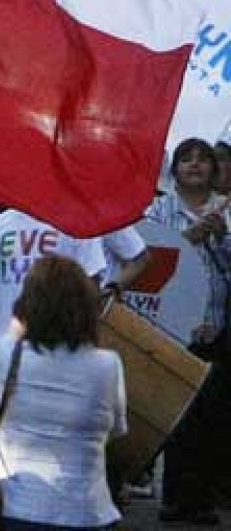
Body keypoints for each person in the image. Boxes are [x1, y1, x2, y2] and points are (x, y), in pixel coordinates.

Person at [0, 255, 126, 531]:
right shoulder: (107, 365)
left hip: (13, 504)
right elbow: (117, 430)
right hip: (87, 511)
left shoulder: (2, 352)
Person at [137, 138, 231, 524]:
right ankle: (173, 497)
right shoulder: (158, 209)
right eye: (186, 159)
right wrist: (189, 240)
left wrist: (222, 239)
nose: (194, 166)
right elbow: (147, 263)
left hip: (217, 328)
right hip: (172, 329)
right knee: (176, 417)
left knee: (213, 416)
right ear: (174, 168)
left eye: (202, 160)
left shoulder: (225, 211)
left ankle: (203, 499)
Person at [0, 208, 107, 393]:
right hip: (6, 359)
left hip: (59, 361)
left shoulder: (80, 223)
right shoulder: (0, 224)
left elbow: (90, 295)